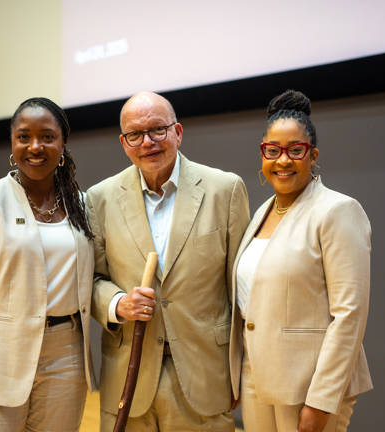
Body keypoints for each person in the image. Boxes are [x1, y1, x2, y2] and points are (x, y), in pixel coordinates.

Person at [86, 91, 250, 431]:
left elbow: (242, 289)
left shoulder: (225, 190)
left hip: (205, 377)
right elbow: (91, 281)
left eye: (157, 130)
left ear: (178, 132)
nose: (147, 142)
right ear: (123, 142)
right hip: (128, 380)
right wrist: (118, 303)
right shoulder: (99, 198)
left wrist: (242, 371)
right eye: (135, 134)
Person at [0, 97, 95, 432]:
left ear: (63, 144)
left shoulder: (83, 205)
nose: (35, 146)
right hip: (1, 360)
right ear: (12, 144)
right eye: (24, 136)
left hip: (67, 357)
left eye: (47, 136)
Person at [228, 89, 373, 432]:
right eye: (273, 151)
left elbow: (349, 314)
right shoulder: (262, 212)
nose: (282, 160)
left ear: (313, 155)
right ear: (262, 154)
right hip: (257, 376)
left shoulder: (337, 211)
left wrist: (321, 401)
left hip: (308, 385)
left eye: (295, 150)